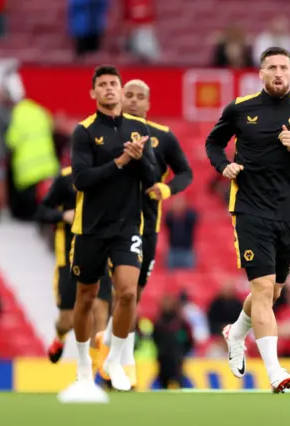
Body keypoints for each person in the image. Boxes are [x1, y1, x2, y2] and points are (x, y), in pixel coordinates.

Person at [205, 46, 290, 393]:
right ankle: (274, 372)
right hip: (249, 209)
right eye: (271, 67)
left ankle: (236, 332)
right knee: (261, 289)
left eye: (283, 67)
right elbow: (213, 143)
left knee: (272, 292)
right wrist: (223, 165)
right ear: (260, 73)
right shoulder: (241, 109)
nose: (277, 72)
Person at [58, 65, 158, 403]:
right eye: (103, 85)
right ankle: (84, 364)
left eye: (114, 84)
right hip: (89, 228)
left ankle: (114, 360)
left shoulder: (138, 129)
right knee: (85, 298)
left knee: (128, 293)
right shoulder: (85, 131)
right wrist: (119, 162)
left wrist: (140, 158)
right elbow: (81, 179)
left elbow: (154, 176)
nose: (110, 89)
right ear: (94, 93)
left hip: (128, 226)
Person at [97, 79, 193, 389]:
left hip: (147, 226)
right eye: (130, 95)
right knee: (122, 293)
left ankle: (112, 347)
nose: (135, 100)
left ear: (149, 105)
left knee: (132, 296)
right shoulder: (104, 134)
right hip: (113, 227)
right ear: (120, 98)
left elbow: (186, 172)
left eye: (141, 97)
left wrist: (166, 188)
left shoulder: (162, 138)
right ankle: (122, 364)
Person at [35, 166, 113, 368]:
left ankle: (93, 372)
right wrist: (63, 216)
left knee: (99, 310)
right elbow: (42, 210)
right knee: (68, 320)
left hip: (100, 256)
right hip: (69, 260)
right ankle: (60, 336)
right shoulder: (65, 178)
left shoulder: (110, 175)